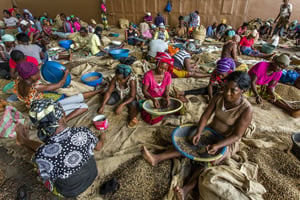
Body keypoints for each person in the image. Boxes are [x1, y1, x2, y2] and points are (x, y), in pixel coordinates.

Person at [143, 71, 253, 199]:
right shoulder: (218, 96)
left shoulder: (246, 109)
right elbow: (205, 116)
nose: (227, 93)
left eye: (233, 91)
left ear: (243, 91)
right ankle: (157, 158)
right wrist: (199, 132)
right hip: (211, 130)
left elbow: (237, 135)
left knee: (208, 160)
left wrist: (217, 145)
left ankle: (186, 189)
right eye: (226, 88)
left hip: (226, 141)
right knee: (188, 141)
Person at [15, 98, 105, 198]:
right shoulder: (84, 132)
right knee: (44, 154)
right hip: (92, 174)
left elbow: (45, 175)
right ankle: (23, 141)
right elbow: (99, 147)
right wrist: (102, 137)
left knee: (39, 157)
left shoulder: (43, 154)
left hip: (68, 191)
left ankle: (23, 141)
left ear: (39, 126)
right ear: (63, 114)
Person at [14, 61, 104, 122]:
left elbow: (36, 69)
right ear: (30, 76)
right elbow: (60, 84)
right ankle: (63, 121)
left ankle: (99, 91)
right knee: (84, 106)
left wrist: (44, 65)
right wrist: (66, 73)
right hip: (43, 111)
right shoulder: (35, 86)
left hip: (39, 104)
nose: (39, 73)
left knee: (78, 97)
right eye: (37, 72)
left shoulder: (19, 80)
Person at [247, 54, 300, 118]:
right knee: (242, 95)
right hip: (249, 84)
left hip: (261, 86)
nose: (280, 69)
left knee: (275, 97)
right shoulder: (261, 65)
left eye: (282, 68)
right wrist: (256, 95)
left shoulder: (279, 72)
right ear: (274, 62)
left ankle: (291, 110)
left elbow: (271, 86)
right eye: (279, 66)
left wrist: (272, 94)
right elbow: (252, 82)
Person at [141, 52, 173, 125]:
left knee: (178, 107)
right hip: (150, 98)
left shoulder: (168, 75)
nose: (162, 70)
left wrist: (167, 97)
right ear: (157, 64)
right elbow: (144, 90)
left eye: (165, 68)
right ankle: (162, 114)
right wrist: (153, 99)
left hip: (161, 98)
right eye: (161, 68)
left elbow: (167, 90)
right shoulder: (148, 75)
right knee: (149, 119)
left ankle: (161, 113)